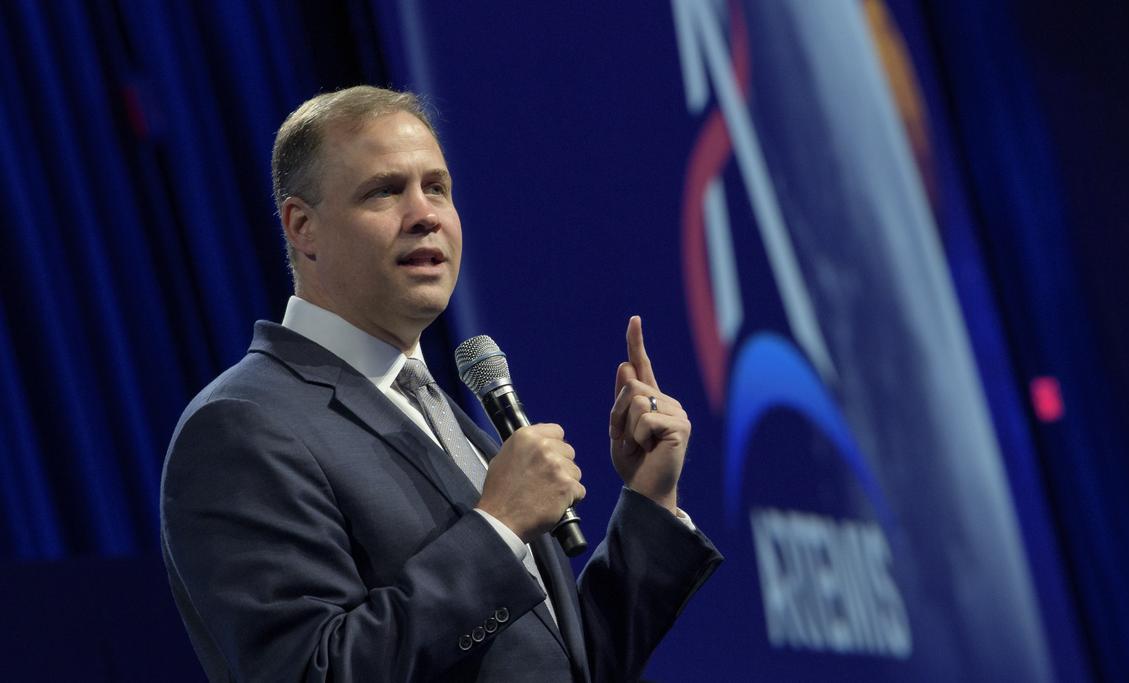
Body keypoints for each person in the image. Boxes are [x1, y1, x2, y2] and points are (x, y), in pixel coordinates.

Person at [159, 86, 721, 682]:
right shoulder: (243, 426)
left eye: (437, 188)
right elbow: (313, 672)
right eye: (385, 191)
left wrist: (651, 502)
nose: (425, 214)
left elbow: (566, 666)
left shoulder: (449, 421)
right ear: (303, 227)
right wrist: (499, 526)